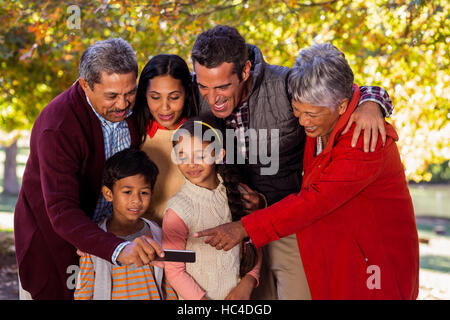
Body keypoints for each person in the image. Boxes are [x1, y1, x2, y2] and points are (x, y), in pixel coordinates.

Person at [195, 43, 420, 299]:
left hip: (375, 263)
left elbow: (315, 200)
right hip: (334, 249)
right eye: (297, 111)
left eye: (311, 114)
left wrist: (243, 228)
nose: (302, 122)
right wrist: (373, 98)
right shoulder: (322, 117)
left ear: (342, 106)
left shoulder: (365, 141)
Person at [14, 38, 164, 300]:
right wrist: (117, 249)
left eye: (129, 92)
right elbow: (61, 210)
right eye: (112, 96)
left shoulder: (134, 107)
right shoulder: (58, 126)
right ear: (85, 85)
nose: (122, 104)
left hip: (109, 243)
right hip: (56, 241)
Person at [162, 117, 262, 300]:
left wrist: (248, 282)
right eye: (182, 155)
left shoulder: (240, 194)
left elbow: (254, 244)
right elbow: (175, 270)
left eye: (200, 155)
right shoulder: (178, 210)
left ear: (219, 154)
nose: (191, 163)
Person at [74, 149, 177, 300]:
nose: (136, 200)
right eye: (127, 192)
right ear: (109, 194)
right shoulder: (94, 241)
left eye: (144, 192)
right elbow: (84, 294)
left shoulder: (156, 233)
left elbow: (168, 286)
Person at [133, 54, 198, 225]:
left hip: (190, 237)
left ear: (187, 94)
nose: (164, 107)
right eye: (155, 97)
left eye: (174, 97)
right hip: (142, 237)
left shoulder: (201, 136)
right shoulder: (134, 134)